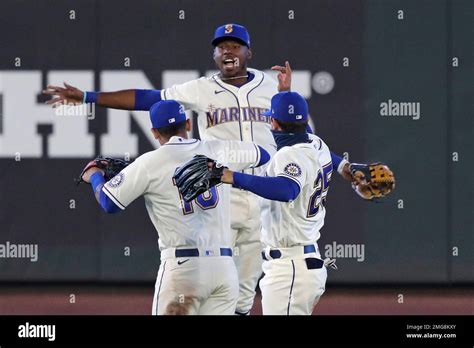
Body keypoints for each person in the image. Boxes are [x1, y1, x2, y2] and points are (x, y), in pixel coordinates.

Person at [43, 23, 354, 315]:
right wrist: (88, 97)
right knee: (222, 284)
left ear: (249, 53)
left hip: (266, 202)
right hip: (224, 198)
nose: (228, 51)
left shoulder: (272, 86)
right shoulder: (201, 89)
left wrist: (344, 166)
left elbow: (304, 140)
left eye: (236, 45)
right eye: (221, 47)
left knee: (243, 298)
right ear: (214, 55)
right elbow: (148, 98)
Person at [80, 99, 270, 315]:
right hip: (223, 268)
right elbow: (262, 154)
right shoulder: (218, 150)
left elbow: (109, 202)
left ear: (154, 132)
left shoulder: (149, 163)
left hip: (183, 269)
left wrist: (94, 175)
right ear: (187, 124)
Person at [219, 92, 333, 315]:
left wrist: (233, 177)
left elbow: (286, 189)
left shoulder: (289, 155)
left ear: (274, 122)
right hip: (303, 262)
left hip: (290, 267)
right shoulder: (319, 146)